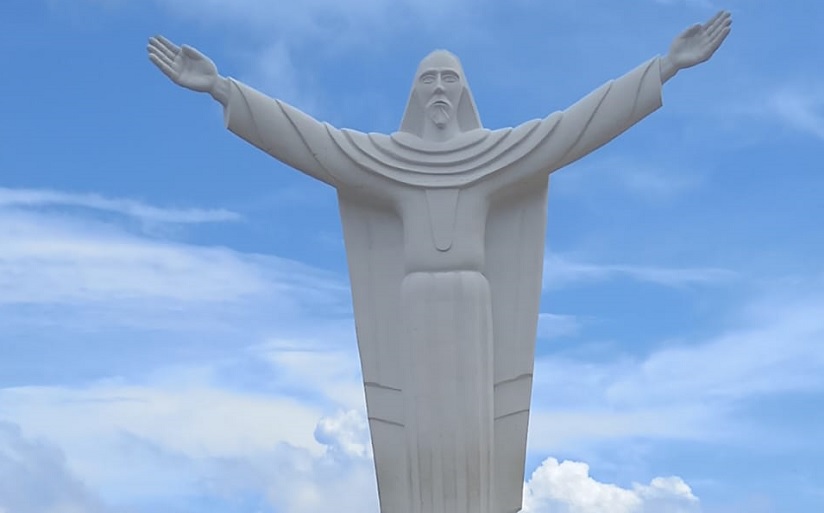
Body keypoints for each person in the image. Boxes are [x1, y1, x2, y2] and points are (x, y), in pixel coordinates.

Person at [147, 11, 731, 513]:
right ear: (415, 94)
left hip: (472, 312)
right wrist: (223, 89)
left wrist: (664, 67)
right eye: (428, 79)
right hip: (416, 313)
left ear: (464, 91)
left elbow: (574, 128)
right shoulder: (387, 160)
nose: (439, 89)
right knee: (420, 444)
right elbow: (312, 142)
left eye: (450, 78)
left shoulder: (494, 155)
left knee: (474, 443)